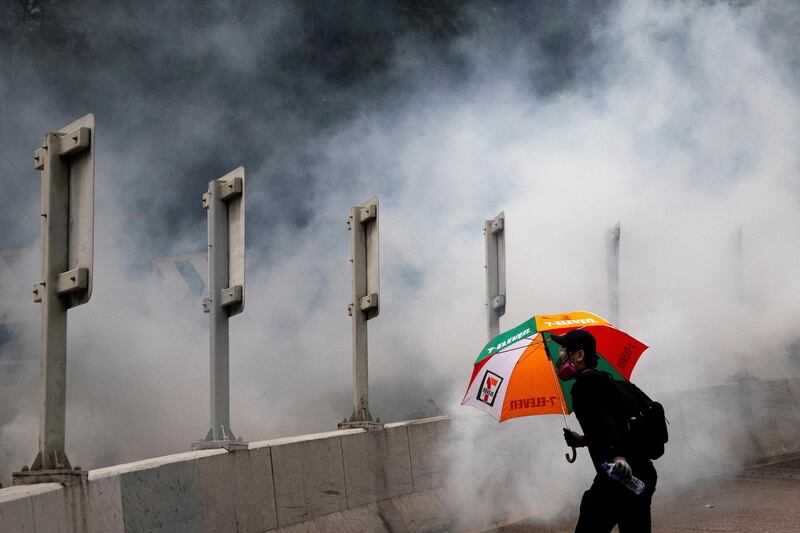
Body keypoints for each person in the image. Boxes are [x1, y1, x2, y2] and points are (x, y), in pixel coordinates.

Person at [552, 329, 657, 533]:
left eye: (564, 350)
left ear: (580, 355)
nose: (560, 356)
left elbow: (609, 423)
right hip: (642, 474)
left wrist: (618, 456)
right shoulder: (605, 380)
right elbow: (609, 425)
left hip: (617, 477)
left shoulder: (584, 386)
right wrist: (582, 440)